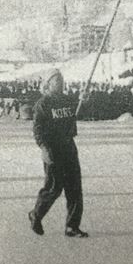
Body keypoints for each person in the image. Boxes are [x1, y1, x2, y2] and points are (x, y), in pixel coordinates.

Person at [28, 69, 88, 238]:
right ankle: (36, 214)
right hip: (53, 149)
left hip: (69, 146)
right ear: (48, 84)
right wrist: (44, 148)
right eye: (56, 81)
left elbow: (79, 115)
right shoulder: (43, 104)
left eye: (61, 80)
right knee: (54, 187)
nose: (60, 83)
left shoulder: (68, 100)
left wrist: (84, 100)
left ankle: (72, 226)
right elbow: (38, 129)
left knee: (74, 188)